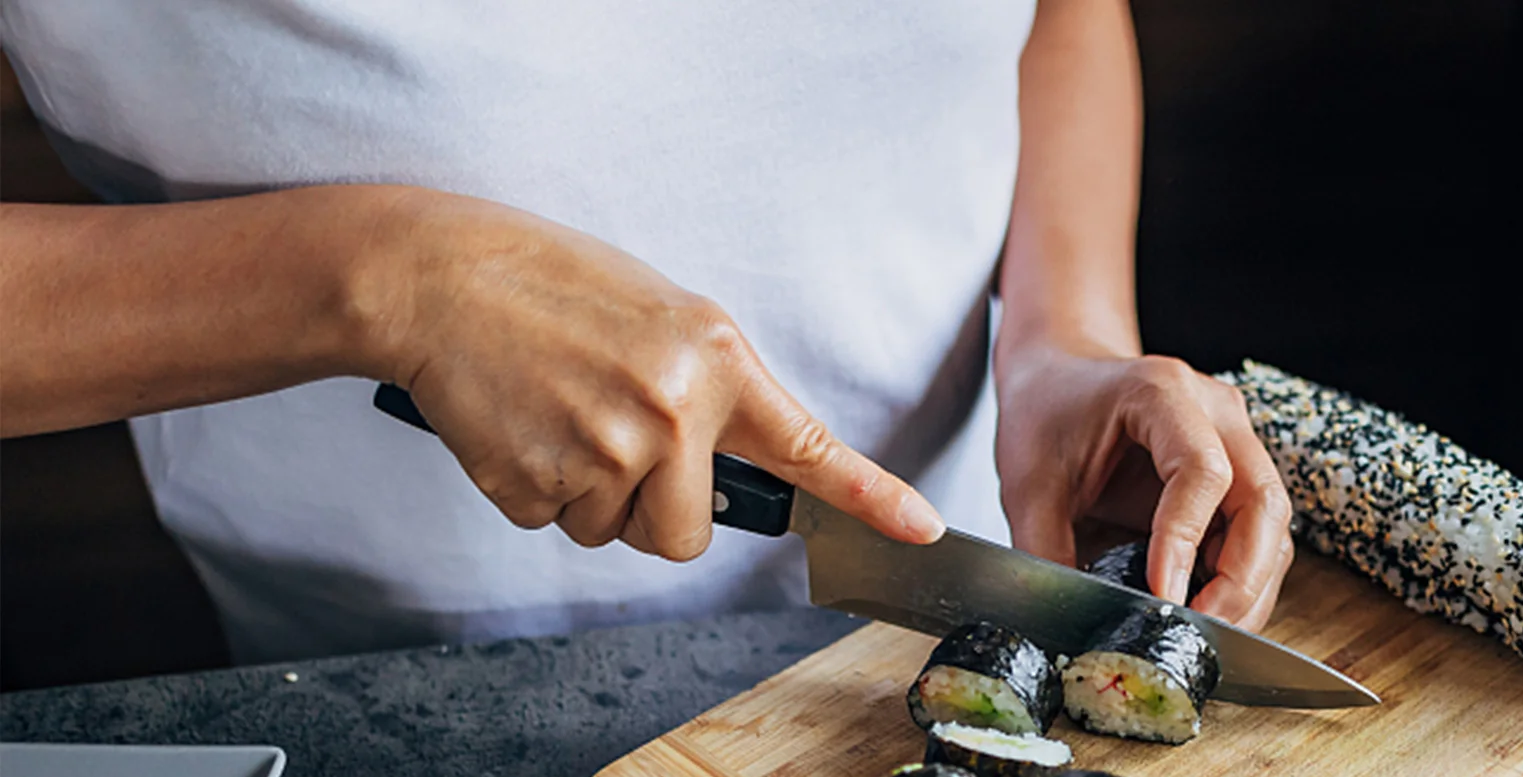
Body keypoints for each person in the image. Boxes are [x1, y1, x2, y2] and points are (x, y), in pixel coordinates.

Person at [0, 2, 1293, 665]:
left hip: (934, 611)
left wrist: (1063, 339)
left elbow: (1047, 17)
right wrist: (388, 284)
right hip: (397, 695)